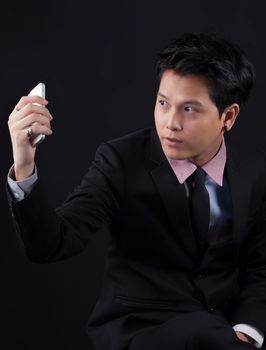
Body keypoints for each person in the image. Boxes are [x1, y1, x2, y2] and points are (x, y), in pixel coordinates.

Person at [6, 33, 266, 350]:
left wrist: (247, 331)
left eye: (189, 109)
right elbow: (52, 243)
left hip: (223, 336)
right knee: (199, 331)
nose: (170, 123)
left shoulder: (253, 173)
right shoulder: (120, 161)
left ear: (228, 116)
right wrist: (24, 163)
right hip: (141, 334)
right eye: (163, 103)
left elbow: (259, 267)